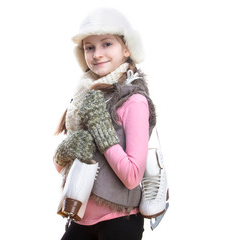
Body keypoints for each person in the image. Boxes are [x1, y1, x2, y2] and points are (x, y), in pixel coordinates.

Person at [53, 8, 157, 240]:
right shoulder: (86, 97)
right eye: (90, 47)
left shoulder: (134, 101)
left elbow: (132, 176)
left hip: (120, 221)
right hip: (80, 217)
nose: (97, 54)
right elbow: (66, 169)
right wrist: (64, 152)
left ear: (127, 48)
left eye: (107, 44)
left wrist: (102, 133)